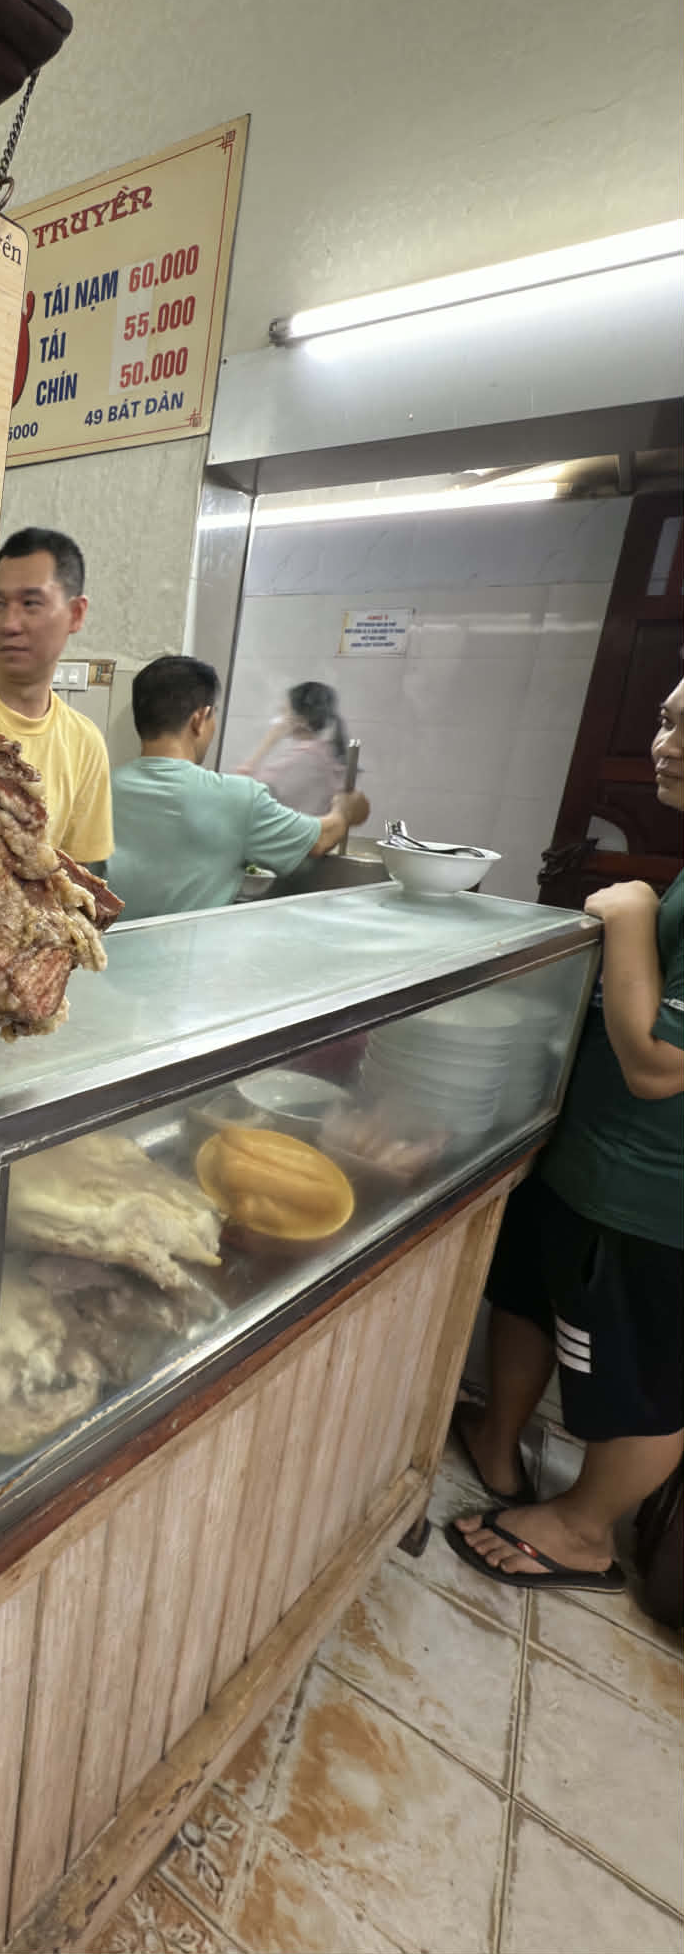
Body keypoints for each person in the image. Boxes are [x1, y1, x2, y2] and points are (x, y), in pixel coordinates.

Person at [447, 675, 684, 1593]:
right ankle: (495, 1443)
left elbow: (656, 1063)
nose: (663, 743)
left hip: (647, 1195)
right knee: (528, 1295)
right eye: (663, 720)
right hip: (585, 1159)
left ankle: (583, 1530)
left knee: (637, 1378)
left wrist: (627, 911)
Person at [106, 656, 370, 918]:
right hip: (195, 947)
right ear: (200, 719)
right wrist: (345, 809)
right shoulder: (238, 799)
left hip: (107, 945)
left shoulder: (102, 790)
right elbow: (321, 839)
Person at [0, 528, 113, 865]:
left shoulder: (84, 743)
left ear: (76, 614)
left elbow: (75, 873)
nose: (9, 623)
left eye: (30, 603)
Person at [235, 680, 350, 817]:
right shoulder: (325, 752)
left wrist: (268, 742)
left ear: (301, 720)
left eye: (284, 711)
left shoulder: (304, 757)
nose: (279, 718)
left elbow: (243, 794)